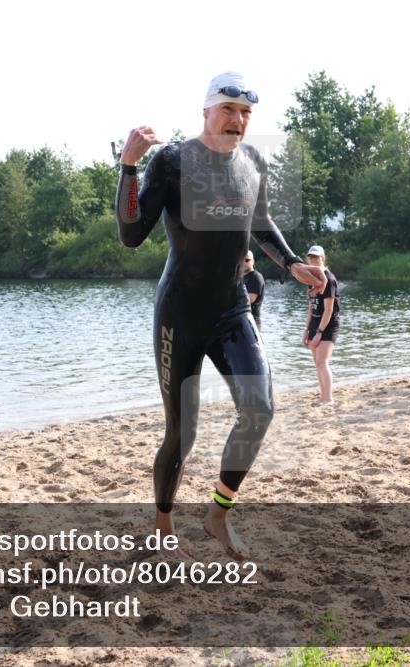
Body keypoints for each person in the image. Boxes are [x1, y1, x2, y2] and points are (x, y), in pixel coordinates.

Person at [114, 72, 326, 559]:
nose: (238, 121)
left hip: (232, 309)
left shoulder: (253, 161)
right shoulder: (173, 161)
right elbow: (131, 235)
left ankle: (217, 514)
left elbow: (261, 220)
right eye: (228, 110)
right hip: (179, 315)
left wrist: (290, 261)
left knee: (260, 409)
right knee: (181, 435)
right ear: (206, 111)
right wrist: (127, 168)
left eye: (246, 113)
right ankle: (164, 528)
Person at [302, 245, 339, 404]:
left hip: (328, 325)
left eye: (316, 257)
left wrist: (319, 332)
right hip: (315, 325)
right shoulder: (311, 279)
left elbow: (329, 309)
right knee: (317, 363)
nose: (313, 260)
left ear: (322, 258)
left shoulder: (328, 279)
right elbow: (311, 306)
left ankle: (328, 399)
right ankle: (323, 396)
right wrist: (306, 329)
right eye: (310, 257)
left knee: (321, 362)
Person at [242, 250, 265, 330]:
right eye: (242, 260)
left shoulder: (256, 277)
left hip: (252, 323)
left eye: (247, 260)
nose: (244, 262)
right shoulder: (240, 278)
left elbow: (249, 300)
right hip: (241, 322)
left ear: (253, 261)